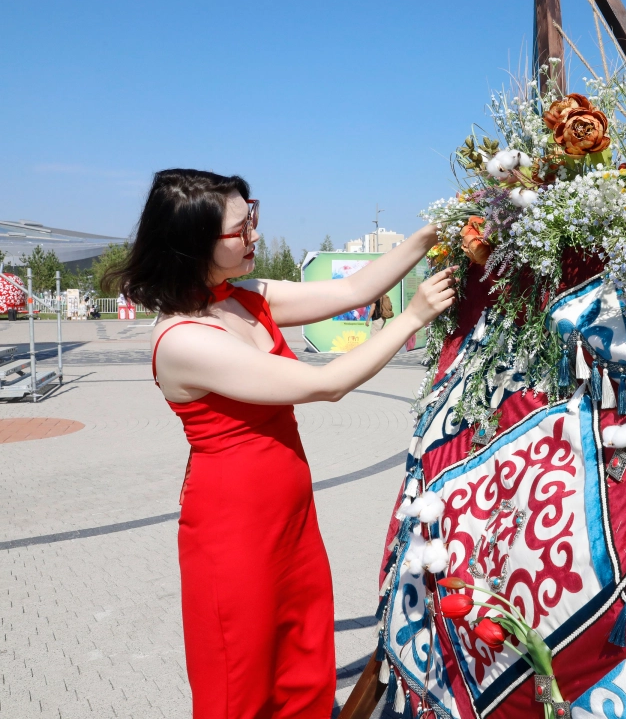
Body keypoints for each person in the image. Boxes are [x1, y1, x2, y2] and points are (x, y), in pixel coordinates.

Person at [103, 169, 454, 718]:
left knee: (304, 661)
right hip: (232, 530)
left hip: (291, 515)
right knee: (241, 679)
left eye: (254, 220)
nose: (255, 237)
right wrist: (412, 318)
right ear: (195, 241)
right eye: (241, 230)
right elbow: (324, 384)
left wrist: (430, 234)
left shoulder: (244, 297)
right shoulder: (183, 339)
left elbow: (351, 290)